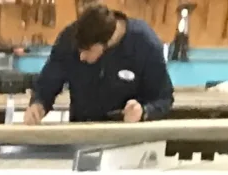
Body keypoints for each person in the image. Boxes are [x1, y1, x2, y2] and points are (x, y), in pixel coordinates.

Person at [23, 5, 173, 124]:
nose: (81, 56)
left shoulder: (145, 44)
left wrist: (144, 111)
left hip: (127, 140)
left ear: (106, 44)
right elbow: (48, 82)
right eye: (79, 50)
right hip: (81, 134)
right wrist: (38, 104)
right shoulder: (69, 38)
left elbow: (164, 98)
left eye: (87, 50)